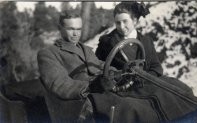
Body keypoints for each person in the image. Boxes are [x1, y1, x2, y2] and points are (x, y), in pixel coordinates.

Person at [37, 11, 166, 123]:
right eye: (71, 29)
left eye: (79, 29)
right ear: (60, 28)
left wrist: (122, 73)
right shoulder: (48, 54)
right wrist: (92, 86)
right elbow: (59, 84)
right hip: (80, 103)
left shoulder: (86, 49)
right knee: (131, 109)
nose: (76, 33)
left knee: (145, 102)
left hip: (102, 94)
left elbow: (102, 65)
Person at [95, 1, 197, 123]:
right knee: (144, 108)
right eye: (117, 23)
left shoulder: (146, 41)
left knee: (180, 89)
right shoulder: (107, 42)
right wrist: (116, 78)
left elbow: (156, 67)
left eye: (125, 21)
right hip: (124, 88)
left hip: (147, 83)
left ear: (135, 20)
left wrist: (145, 78)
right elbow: (99, 67)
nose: (121, 26)